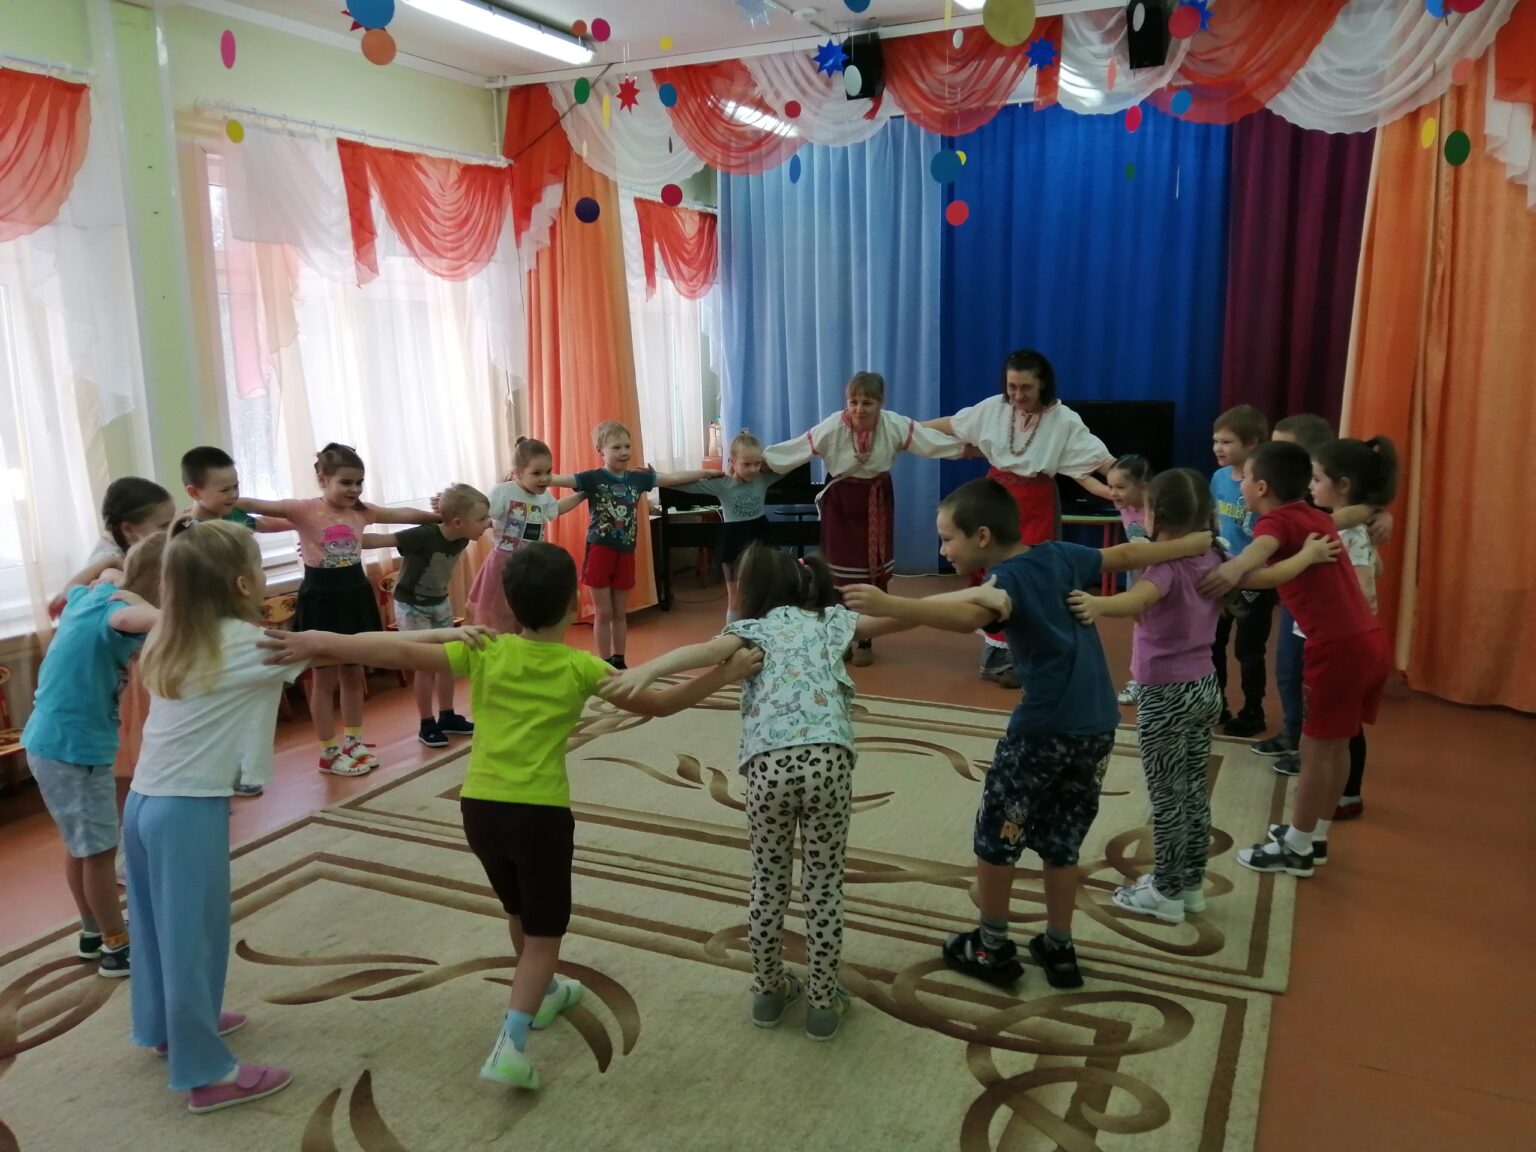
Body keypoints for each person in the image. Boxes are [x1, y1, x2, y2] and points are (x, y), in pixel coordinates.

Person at [260, 540, 763, 1090]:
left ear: (509, 603)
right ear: (573, 602)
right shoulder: (581, 666)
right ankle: (510, 1045)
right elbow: (660, 703)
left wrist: (316, 640)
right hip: (539, 818)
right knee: (545, 935)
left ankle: (544, 994)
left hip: (478, 809)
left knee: (520, 909)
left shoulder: (485, 650)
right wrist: (726, 673)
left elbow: (395, 651)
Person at [606, 546, 995, 1040]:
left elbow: (701, 654)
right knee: (823, 886)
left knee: (768, 883)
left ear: (754, 591)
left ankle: (768, 994)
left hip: (768, 767)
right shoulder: (833, 621)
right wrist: (977, 593)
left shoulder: (752, 630)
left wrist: (645, 671)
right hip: (828, 762)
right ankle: (823, 1004)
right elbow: (906, 615)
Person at [842, 479, 1212, 989]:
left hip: (1043, 728)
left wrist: (894, 603)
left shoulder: (1007, 581)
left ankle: (991, 946)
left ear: (982, 536)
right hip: (1098, 725)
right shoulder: (1058, 554)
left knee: (998, 834)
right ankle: (1059, 948)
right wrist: (1189, 544)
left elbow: (965, 617)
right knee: (1062, 839)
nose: (942, 550)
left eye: (947, 539)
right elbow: (1126, 555)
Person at [1067, 471, 1334, 923]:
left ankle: (1166, 893)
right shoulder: (1216, 555)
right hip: (1205, 688)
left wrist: (1097, 605)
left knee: (1166, 798)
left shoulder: (1165, 567)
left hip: (1165, 696)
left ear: (1156, 514)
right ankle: (1190, 884)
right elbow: (1269, 577)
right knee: (1191, 792)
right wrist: (1308, 555)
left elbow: (1137, 601)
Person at [127, 521, 318, 1113]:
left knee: (158, 931)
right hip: (186, 811)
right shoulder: (246, 643)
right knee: (194, 937)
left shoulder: (172, 636)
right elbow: (342, 647)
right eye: (259, 567)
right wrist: (446, 635)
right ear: (241, 583)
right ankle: (208, 1075)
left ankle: (170, 1027)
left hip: (143, 803)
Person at [1208, 443, 1390, 876]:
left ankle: (1297, 847)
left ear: (1261, 487)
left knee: (1315, 752)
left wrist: (1230, 570)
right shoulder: (1311, 515)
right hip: (1367, 641)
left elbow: (1259, 552)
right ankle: (1314, 836)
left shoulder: (1275, 521)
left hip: (1336, 649)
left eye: (1246, 477)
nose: (1240, 483)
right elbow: (1347, 517)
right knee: (1336, 746)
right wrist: (1378, 509)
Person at [236, 443, 437, 776]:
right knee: (324, 678)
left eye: (359, 482)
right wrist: (222, 501)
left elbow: (400, 515)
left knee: (353, 674)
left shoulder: (362, 512)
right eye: (346, 482)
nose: (354, 489)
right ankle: (328, 752)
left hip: (355, 596)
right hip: (321, 598)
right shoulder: (303, 509)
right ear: (322, 480)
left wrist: (436, 516)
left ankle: (353, 742)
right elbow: (260, 506)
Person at [20, 532, 167, 976]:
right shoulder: (121, 612)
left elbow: (77, 586)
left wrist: (111, 568)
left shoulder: (91, 595)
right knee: (101, 852)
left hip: (50, 741)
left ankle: (92, 930)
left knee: (82, 846)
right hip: (75, 750)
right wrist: (177, 611)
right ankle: (117, 946)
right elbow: (150, 621)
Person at [924, 350, 1116, 688]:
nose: (1017, 395)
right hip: (995, 500)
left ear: (1043, 384)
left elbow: (1100, 459)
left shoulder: (1063, 419)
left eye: (1025, 387)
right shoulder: (995, 408)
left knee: (1033, 577)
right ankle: (998, 655)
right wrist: (908, 430)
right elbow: (955, 424)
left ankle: (1028, 655)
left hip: (1035, 503)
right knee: (995, 576)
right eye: (1011, 386)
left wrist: (1126, 479)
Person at [765, 371, 965, 666]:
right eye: (853, 402)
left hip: (876, 502)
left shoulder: (893, 424)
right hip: (841, 504)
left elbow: (929, 442)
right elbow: (797, 448)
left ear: (881, 402)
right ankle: (841, 636)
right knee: (838, 573)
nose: (859, 409)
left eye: (867, 403)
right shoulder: (833, 426)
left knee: (872, 571)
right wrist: (762, 461)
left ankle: (865, 638)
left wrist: (966, 450)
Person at [551, 421, 719, 670]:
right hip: (599, 551)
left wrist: (707, 473)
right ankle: (604, 663)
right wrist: (534, 476)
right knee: (604, 613)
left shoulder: (637, 479)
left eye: (627, 446)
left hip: (626, 552)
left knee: (620, 613)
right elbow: (560, 479)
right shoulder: (593, 478)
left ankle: (619, 661)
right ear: (600, 451)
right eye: (616, 447)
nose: (624, 452)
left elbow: (671, 478)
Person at [1304, 438, 1399, 822]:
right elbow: (1377, 568)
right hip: (1331, 637)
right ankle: (1334, 791)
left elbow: (1364, 586)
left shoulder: (1351, 533)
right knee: (1338, 725)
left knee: (1344, 728)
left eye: (1316, 479)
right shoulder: (1349, 527)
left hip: (1342, 642)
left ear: (1343, 485)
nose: (1310, 486)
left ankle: (1345, 795)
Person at [380, 483, 492, 749]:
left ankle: (447, 716)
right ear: (459, 522)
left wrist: (451, 504)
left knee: (448, 662)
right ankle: (427, 723)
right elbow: (384, 541)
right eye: (482, 519)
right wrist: (337, 542)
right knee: (425, 665)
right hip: (411, 606)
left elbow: (475, 512)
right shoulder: (425, 534)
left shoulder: (463, 534)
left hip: (439, 602)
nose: (487, 524)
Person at [466, 437, 588, 635]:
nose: (544, 478)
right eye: (537, 473)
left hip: (530, 565)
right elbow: (484, 515)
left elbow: (556, 509)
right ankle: (502, 646)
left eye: (548, 472)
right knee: (501, 614)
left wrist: (582, 495)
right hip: (504, 562)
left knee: (526, 611)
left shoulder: (544, 497)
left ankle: (523, 645)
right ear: (518, 473)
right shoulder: (503, 492)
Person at [1208, 406, 1275, 738]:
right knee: (1213, 642)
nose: (1218, 448)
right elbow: (1212, 520)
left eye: (1226, 441)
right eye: (1215, 441)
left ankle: (1252, 710)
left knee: (1248, 649)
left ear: (1252, 443)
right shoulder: (1219, 478)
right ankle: (1214, 702)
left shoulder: (1264, 485)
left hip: (1254, 580)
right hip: (1222, 577)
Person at [674, 430, 778, 623]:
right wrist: (654, 478)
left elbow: (793, 461)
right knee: (734, 597)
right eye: (746, 464)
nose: (753, 469)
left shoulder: (763, 479)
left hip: (760, 536)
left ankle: (762, 631)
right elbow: (684, 485)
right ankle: (733, 633)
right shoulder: (723, 484)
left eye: (757, 463)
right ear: (732, 462)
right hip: (733, 541)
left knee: (762, 592)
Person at [49, 477, 178, 618]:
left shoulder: (126, 547)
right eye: (165, 526)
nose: (173, 530)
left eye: (174, 522)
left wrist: (191, 520)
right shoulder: (106, 566)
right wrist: (113, 562)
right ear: (128, 530)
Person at [1105, 453, 1153, 706]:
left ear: (1142, 488)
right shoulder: (1126, 503)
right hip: (1138, 572)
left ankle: (1151, 682)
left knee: (1157, 630)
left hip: (1160, 576)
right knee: (1140, 628)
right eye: (1110, 486)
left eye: (1120, 487)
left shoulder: (1156, 508)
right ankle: (1140, 680)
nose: (1113, 493)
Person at [178, 447, 292, 534]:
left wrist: (299, 524)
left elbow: (264, 524)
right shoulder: (187, 529)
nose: (234, 495)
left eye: (236, 486)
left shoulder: (233, 515)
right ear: (194, 493)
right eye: (224, 490)